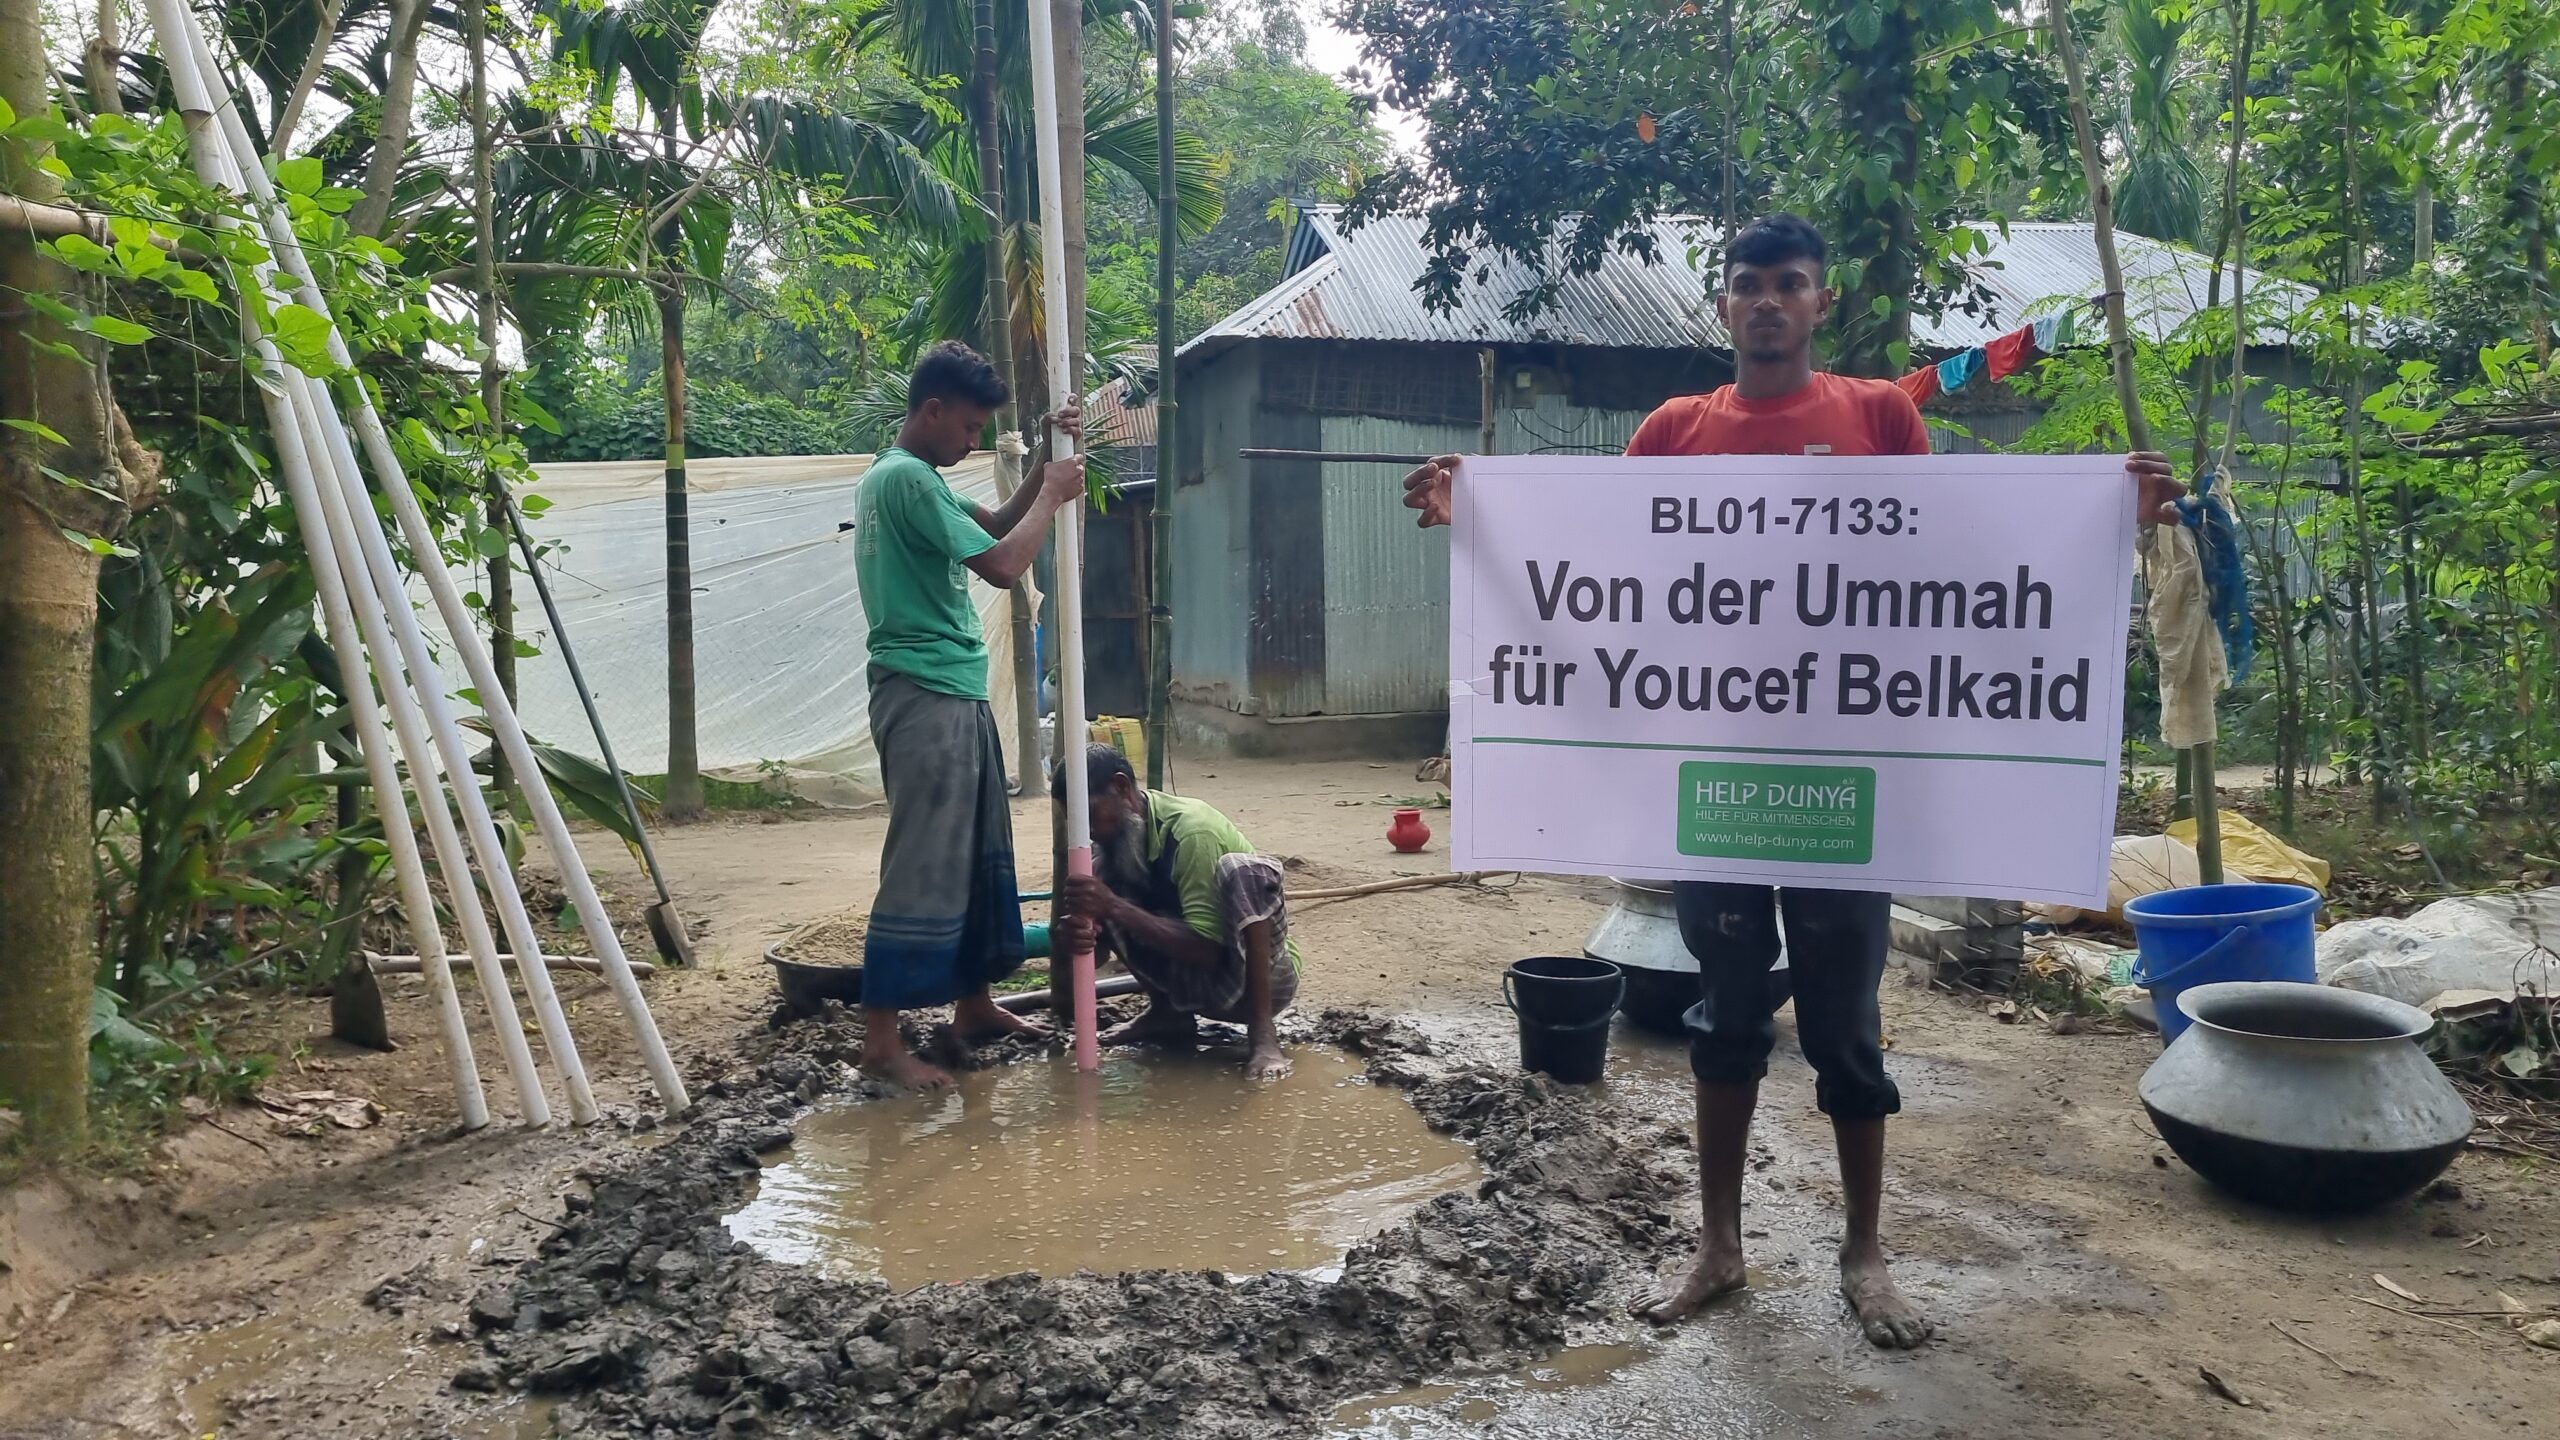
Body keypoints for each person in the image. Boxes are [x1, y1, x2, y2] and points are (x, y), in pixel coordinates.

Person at [1399, 214, 2181, 1350]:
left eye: (1789, 283)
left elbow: (1945, 561)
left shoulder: (1881, 416)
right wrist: (1475, 515)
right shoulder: (1674, 431)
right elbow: (1604, 561)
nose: (1767, 300)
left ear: (1821, 302)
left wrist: (2105, 522)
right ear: (1723, 306)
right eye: (1748, 284)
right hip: (1717, 772)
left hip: (1845, 780)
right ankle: (1718, 1246)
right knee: (1724, 1015)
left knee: (1844, 1023)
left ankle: (1865, 1252)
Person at [855, 340, 1086, 1091]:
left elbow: (992, 527)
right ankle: (882, 1042)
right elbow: (1005, 565)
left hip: (952, 689)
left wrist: (1045, 462)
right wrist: (1053, 496)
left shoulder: (910, 478)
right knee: (923, 857)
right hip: (924, 692)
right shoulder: (904, 479)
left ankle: (975, 1005)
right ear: (932, 411)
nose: (972, 441)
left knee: (978, 852)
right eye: (967, 427)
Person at [1049, 743, 1300, 1080]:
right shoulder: (1109, 847)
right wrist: (1077, 936)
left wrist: (1113, 906)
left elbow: (1210, 951)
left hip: (1259, 980)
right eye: (1077, 823)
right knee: (1101, 878)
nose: (1089, 831)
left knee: (1246, 872)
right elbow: (1099, 957)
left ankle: (1264, 1036)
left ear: (1122, 788)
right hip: (1191, 986)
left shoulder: (1192, 831)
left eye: (1091, 815)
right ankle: (1167, 1015)